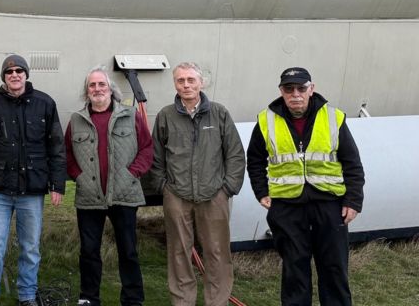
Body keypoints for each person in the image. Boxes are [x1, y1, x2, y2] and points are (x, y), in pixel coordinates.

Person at [246, 67, 365, 306]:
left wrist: (353, 201)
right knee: (294, 271)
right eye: (289, 89)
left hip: (330, 205)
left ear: (312, 88)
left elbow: (352, 163)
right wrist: (261, 191)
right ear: (281, 91)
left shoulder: (333, 117)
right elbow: (255, 160)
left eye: (301, 88)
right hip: (287, 208)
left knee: (334, 269)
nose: (295, 94)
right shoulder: (265, 120)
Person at [0, 54, 67, 306]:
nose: (14, 74)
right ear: (4, 76)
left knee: (30, 248)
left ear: (26, 74)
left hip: (32, 191)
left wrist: (57, 183)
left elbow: (56, 146)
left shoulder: (45, 103)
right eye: (9, 71)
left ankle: (27, 295)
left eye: (19, 70)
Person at [149, 61, 245, 306]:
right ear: (175, 84)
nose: (186, 85)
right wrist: (163, 187)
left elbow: (234, 153)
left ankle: (217, 301)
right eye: (181, 80)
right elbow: (156, 156)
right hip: (177, 196)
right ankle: (183, 302)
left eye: (191, 80)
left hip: (214, 196)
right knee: (179, 254)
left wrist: (227, 189)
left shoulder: (219, 113)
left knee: (217, 253)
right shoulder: (165, 116)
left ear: (201, 83)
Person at [64, 67, 153, 306]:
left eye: (101, 84)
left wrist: (132, 173)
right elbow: (68, 155)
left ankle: (133, 299)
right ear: (87, 92)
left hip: (124, 194)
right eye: (92, 86)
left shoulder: (131, 115)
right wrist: (78, 177)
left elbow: (147, 148)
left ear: (110, 89)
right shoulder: (76, 120)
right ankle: (89, 298)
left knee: (128, 250)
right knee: (89, 252)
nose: (97, 89)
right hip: (89, 197)